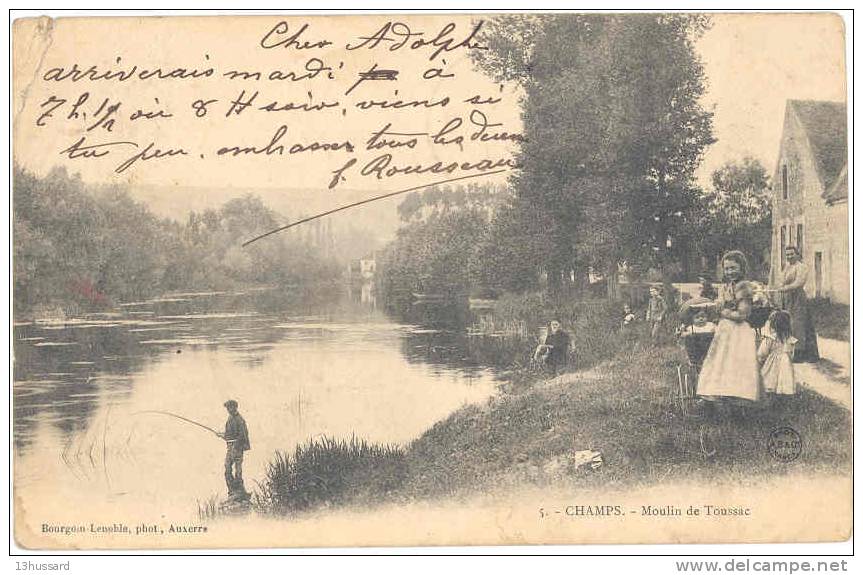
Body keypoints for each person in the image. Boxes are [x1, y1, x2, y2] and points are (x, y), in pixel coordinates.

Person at [696, 251, 762, 406]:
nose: (730, 272)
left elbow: (742, 314)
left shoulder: (743, 286)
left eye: (733, 268)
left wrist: (722, 311)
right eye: (727, 269)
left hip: (739, 332)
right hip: (726, 329)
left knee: (736, 364)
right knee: (721, 363)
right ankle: (720, 396)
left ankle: (738, 401)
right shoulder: (727, 286)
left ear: (742, 267)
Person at [776, 246, 819, 362]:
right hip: (787, 298)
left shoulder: (802, 267)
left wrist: (785, 288)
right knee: (788, 323)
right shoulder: (787, 267)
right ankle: (790, 350)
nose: (789, 256)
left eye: (791, 254)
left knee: (798, 325)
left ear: (797, 254)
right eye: (787, 254)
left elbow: (799, 283)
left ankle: (801, 353)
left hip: (798, 298)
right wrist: (780, 287)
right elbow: (781, 280)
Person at [757, 310, 798, 396]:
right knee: (783, 382)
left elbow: (762, 353)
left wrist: (760, 361)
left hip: (772, 365)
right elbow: (791, 354)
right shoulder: (790, 340)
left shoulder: (770, 339)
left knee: (770, 381)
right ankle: (782, 398)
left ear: (773, 325)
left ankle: (771, 398)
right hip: (786, 366)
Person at [217, 399, 251, 497]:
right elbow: (229, 435)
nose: (228, 409)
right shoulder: (230, 419)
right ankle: (232, 491)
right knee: (227, 468)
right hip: (230, 448)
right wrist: (221, 435)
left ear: (234, 407)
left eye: (229, 407)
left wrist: (236, 446)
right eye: (227, 408)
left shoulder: (240, 420)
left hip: (237, 448)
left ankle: (239, 491)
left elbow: (243, 435)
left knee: (238, 470)